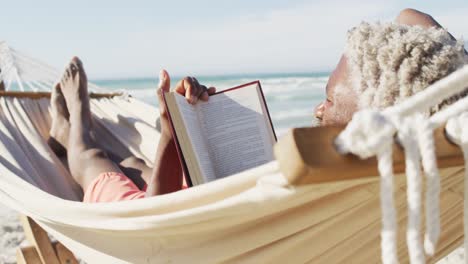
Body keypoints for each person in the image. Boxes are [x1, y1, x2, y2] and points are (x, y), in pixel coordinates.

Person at [48, 8, 467, 203]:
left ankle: (72, 126)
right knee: (134, 166)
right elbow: (414, 18)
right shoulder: (398, 179)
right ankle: (125, 158)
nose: (318, 111)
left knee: (93, 158)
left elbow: (151, 231)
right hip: (190, 193)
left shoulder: (306, 198)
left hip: (149, 216)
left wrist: (170, 134)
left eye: (327, 102)